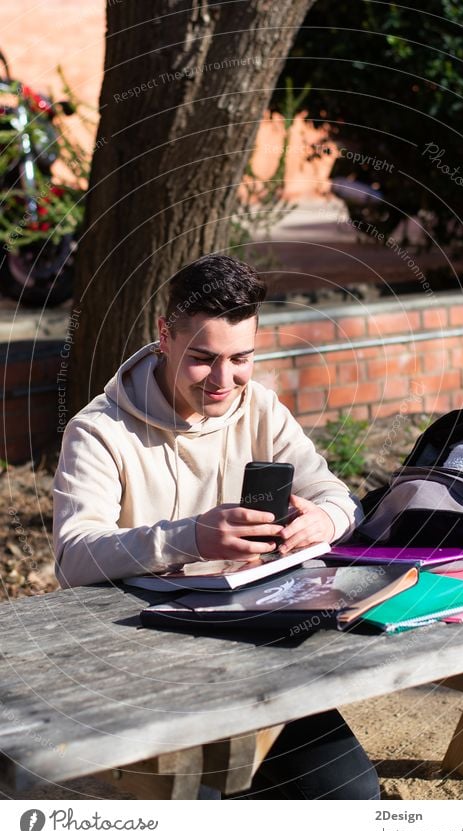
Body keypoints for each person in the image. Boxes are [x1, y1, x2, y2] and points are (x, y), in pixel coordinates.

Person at [53, 253, 380, 800]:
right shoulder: (98, 432)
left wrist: (326, 518)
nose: (224, 380)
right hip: (147, 659)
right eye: (203, 358)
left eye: (242, 358)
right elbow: (73, 558)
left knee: (352, 796)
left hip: (261, 648)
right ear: (164, 335)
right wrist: (190, 538)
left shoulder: (261, 408)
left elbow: (337, 497)